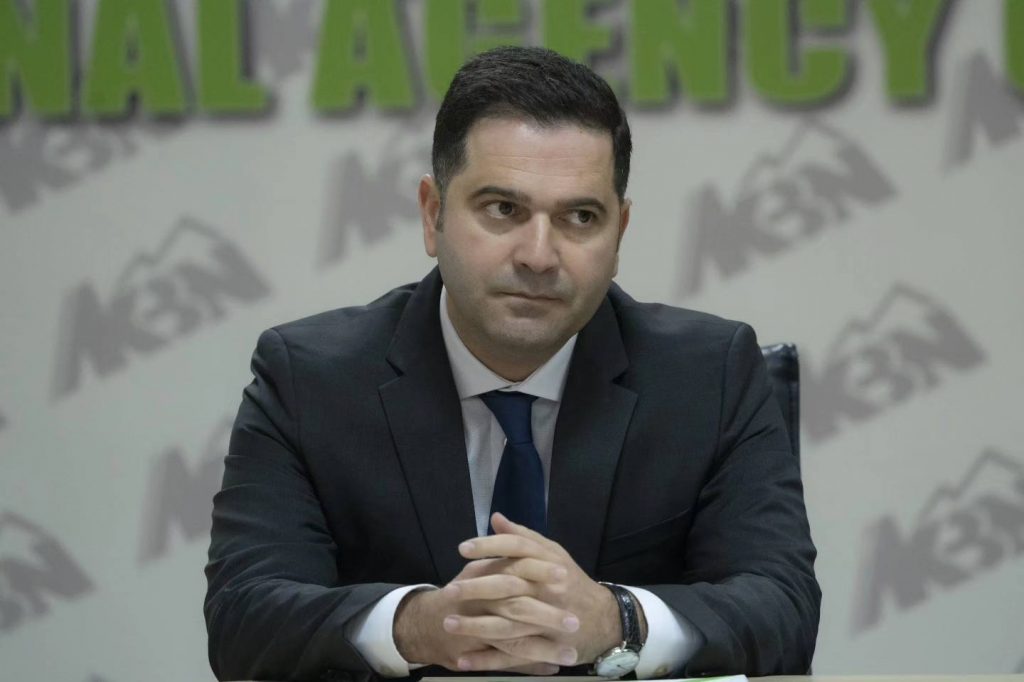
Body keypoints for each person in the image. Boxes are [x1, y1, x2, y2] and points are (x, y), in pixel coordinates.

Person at [204, 46, 820, 682]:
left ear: (620, 233)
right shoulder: (311, 379)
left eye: (581, 217)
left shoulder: (708, 376)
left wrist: (617, 620)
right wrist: (417, 625)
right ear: (433, 214)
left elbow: (784, 609)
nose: (539, 255)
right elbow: (244, 618)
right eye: (503, 209)